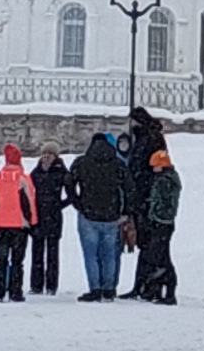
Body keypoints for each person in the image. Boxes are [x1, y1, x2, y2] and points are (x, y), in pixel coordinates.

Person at [67, 133, 128, 302]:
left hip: (88, 214)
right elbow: (129, 188)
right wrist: (125, 212)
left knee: (91, 254)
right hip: (111, 216)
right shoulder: (117, 164)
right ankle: (108, 289)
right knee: (109, 254)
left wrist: (77, 203)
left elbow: (69, 183)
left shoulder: (81, 162)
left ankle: (95, 288)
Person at [116, 108, 165, 300]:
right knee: (144, 244)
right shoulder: (142, 138)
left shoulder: (152, 138)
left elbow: (149, 168)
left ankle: (150, 286)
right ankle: (141, 285)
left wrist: (143, 193)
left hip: (146, 198)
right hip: (140, 197)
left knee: (150, 245)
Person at [0, 143, 37, 303]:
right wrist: (32, 222)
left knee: (0, 260)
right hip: (19, 226)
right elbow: (29, 202)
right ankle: (15, 292)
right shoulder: (23, 179)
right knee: (17, 261)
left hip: (0, 225)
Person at [137, 149, 181, 306]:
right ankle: (160, 289)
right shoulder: (167, 178)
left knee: (161, 257)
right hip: (162, 222)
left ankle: (168, 290)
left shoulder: (165, 180)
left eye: (155, 165)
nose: (153, 169)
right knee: (160, 256)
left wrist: (155, 214)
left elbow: (164, 202)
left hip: (162, 223)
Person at [28, 141, 71, 296]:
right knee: (37, 253)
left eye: (50, 154)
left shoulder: (61, 172)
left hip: (53, 218)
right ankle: (36, 285)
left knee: (53, 254)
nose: (46, 156)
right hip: (38, 217)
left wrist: (59, 205)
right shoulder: (36, 172)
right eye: (44, 153)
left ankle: (52, 285)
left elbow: (71, 193)